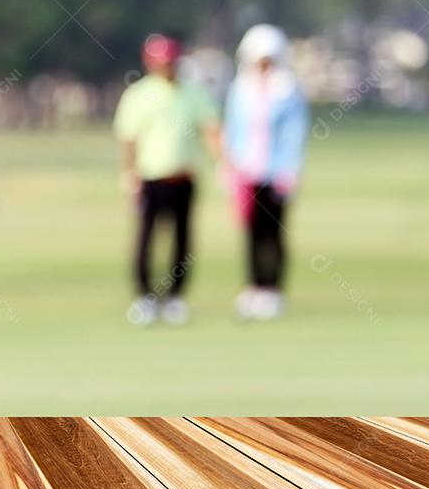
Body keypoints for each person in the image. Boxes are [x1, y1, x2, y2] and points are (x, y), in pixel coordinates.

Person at [114, 34, 225, 326]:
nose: (166, 67)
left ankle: (175, 298)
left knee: (182, 239)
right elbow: (129, 139)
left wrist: (222, 164)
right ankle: (145, 297)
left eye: (170, 61)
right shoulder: (139, 94)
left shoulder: (194, 92)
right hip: (151, 178)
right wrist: (129, 174)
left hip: (184, 176)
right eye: (161, 62)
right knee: (147, 238)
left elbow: (210, 130)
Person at [225, 24, 309, 320]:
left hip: (276, 173)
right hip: (247, 172)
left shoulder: (286, 89)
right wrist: (229, 167)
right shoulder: (241, 88)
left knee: (274, 233)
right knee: (251, 232)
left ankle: (273, 289)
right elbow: (232, 130)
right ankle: (254, 287)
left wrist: (289, 170)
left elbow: (294, 134)